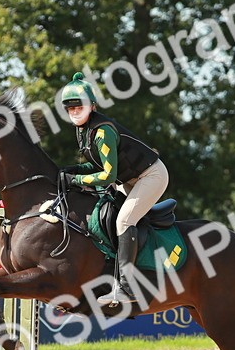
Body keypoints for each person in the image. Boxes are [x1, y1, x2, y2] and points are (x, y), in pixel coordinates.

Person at [59, 72, 169, 305]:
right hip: (129, 179)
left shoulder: (101, 131)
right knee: (105, 215)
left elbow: (108, 174)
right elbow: (97, 164)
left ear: (92, 106)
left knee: (123, 222)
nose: (75, 111)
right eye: (70, 108)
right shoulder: (83, 130)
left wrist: (76, 181)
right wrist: (72, 170)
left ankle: (127, 289)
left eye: (79, 106)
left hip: (151, 176)